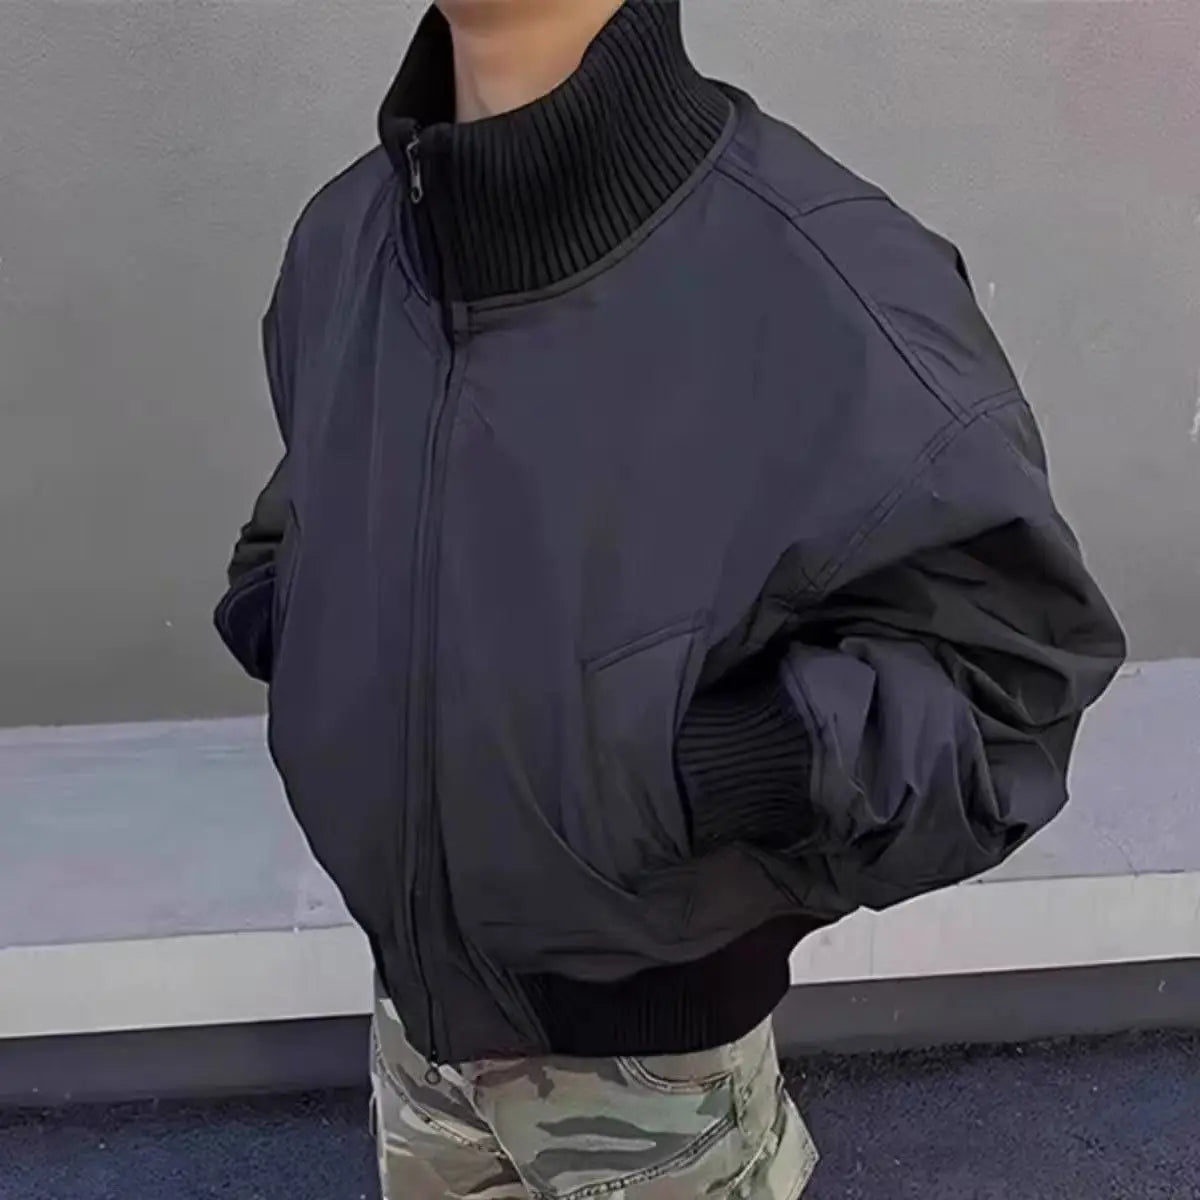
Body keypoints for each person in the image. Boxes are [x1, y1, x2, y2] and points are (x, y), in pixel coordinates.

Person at [214, 1, 1126, 1195]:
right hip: (410, 1041)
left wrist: (716, 767)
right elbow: (309, 509)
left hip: (655, 1076)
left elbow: (1010, 694)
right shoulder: (346, 243)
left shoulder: (828, 279)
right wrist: (297, 623)